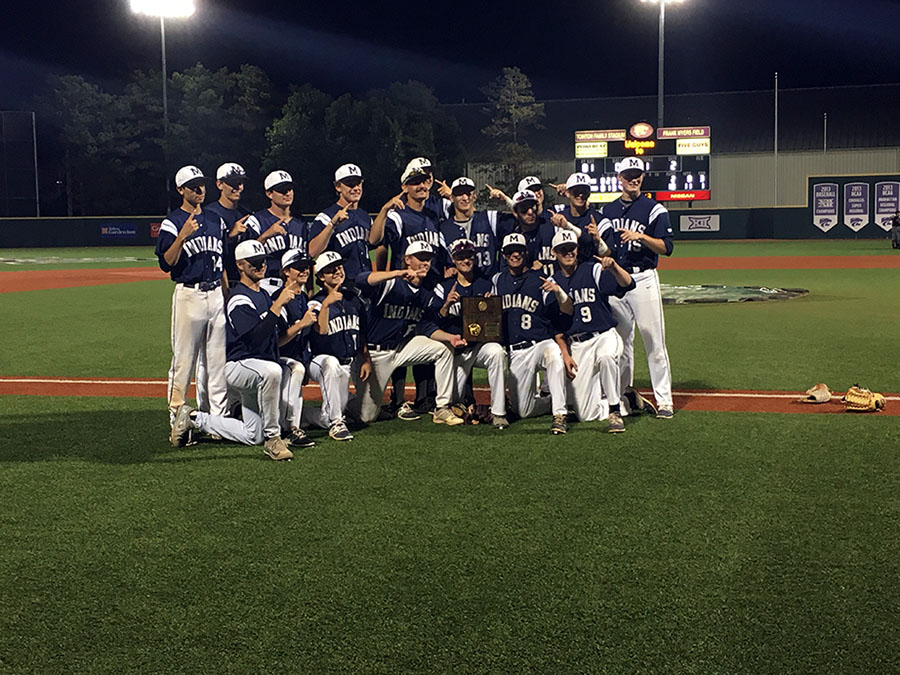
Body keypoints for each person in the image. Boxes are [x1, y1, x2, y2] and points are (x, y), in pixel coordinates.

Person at [169, 240, 313, 460]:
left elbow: (276, 339)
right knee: (272, 371)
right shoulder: (239, 298)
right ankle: (274, 438)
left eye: (263, 261)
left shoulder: (263, 295)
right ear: (241, 266)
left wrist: (299, 325)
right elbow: (255, 340)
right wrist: (277, 305)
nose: (261, 266)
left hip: (257, 368)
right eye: (254, 263)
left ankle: (194, 418)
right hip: (238, 367)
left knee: (252, 433)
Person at [353, 241, 466, 426]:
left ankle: (442, 408)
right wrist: (397, 273)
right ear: (407, 260)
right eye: (420, 258)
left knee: (443, 349)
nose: (425, 263)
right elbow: (361, 279)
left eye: (428, 259)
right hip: (374, 354)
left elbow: (428, 326)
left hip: (400, 348)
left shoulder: (424, 294)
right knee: (366, 416)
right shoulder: (390, 284)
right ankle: (344, 404)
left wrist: (449, 336)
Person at [598, 156, 675, 419]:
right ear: (619, 178)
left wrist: (641, 236)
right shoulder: (607, 211)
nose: (634, 179)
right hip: (617, 278)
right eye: (628, 174)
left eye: (638, 174)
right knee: (620, 343)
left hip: (643, 278)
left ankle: (664, 400)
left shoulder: (655, 209)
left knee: (653, 339)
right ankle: (622, 399)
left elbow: (667, 248)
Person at [155, 165, 227, 427]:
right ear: (180, 190)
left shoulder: (215, 220)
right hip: (189, 295)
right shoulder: (172, 222)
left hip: (216, 294)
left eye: (202, 184)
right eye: (193, 186)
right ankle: (177, 416)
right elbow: (166, 263)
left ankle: (217, 420)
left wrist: (226, 294)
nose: (199, 189)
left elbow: (223, 262)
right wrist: (182, 237)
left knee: (217, 362)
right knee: (184, 360)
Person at [550, 230, 635, 433]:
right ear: (555, 253)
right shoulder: (552, 282)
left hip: (604, 335)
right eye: (563, 250)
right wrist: (565, 353)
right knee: (585, 414)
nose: (568, 253)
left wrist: (614, 267)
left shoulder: (593, 270)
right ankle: (627, 401)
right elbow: (556, 326)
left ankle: (614, 411)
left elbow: (628, 284)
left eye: (571, 248)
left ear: (577, 249)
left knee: (606, 358)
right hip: (578, 344)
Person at [492, 233, 573, 435]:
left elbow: (567, 310)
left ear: (525, 253)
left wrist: (558, 292)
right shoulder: (497, 280)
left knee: (553, 354)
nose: (515, 255)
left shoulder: (540, 279)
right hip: (516, 352)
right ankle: (550, 401)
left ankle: (560, 414)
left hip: (540, 343)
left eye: (519, 250)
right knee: (523, 411)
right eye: (510, 252)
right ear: (504, 255)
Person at [428, 238, 509, 429]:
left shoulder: (486, 285)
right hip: (455, 352)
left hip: (479, 347)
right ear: (454, 260)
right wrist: (446, 305)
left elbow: (496, 326)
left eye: (469, 256)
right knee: (454, 401)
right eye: (460, 257)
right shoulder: (444, 287)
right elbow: (433, 323)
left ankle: (499, 412)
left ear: (475, 258)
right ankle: (463, 404)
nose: (465, 260)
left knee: (497, 352)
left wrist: (491, 309)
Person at [306, 250, 372, 441]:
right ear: (320, 276)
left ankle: (299, 413)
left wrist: (366, 359)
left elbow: (361, 335)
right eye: (330, 270)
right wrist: (326, 305)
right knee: (331, 364)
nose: (337, 271)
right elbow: (322, 332)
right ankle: (336, 424)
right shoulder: (316, 303)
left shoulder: (353, 299)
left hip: (347, 364)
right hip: (319, 362)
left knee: (362, 414)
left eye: (339, 267)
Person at [271, 249, 318, 447]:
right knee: (295, 369)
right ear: (286, 271)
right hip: (274, 357)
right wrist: (300, 324)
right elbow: (276, 342)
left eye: (307, 267)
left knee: (299, 367)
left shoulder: (302, 298)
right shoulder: (278, 298)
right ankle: (290, 429)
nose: (305, 271)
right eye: (299, 267)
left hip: (295, 356)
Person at [308, 164, 385, 279]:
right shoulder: (326, 217)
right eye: (350, 184)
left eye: (358, 183)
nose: (356, 188)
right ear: (338, 187)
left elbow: (375, 245)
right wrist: (332, 225)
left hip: (366, 283)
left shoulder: (365, 216)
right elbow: (312, 252)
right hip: (340, 284)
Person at [246, 170, 310, 278]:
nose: (287, 193)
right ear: (269, 194)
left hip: (296, 283)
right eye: (282, 190)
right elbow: (247, 256)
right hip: (269, 283)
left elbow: (308, 257)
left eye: (290, 189)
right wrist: (265, 235)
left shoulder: (301, 222)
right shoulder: (256, 220)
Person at [506, 189, 582, 277]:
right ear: (515, 213)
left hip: (560, 282)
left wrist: (567, 226)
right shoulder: (515, 237)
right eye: (524, 209)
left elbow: (584, 242)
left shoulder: (553, 226)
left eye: (533, 207)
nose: (530, 212)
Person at [438, 177, 504, 277]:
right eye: (459, 194)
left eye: (468, 193)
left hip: (488, 286)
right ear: (451, 198)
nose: (465, 198)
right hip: (459, 288)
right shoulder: (444, 229)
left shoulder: (490, 218)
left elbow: (522, 219)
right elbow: (443, 263)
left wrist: (506, 199)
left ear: (474, 197)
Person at [205, 162, 252, 290]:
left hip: (245, 283)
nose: (238, 187)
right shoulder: (209, 214)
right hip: (218, 283)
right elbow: (208, 251)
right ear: (219, 184)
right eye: (233, 183)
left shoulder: (246, 214)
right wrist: (230, 236)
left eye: (240, 183)